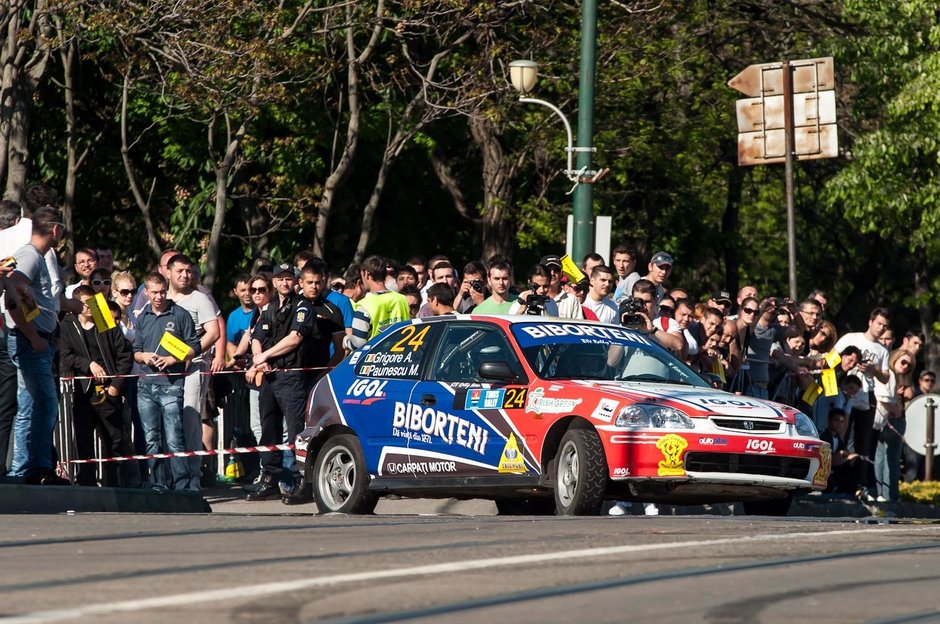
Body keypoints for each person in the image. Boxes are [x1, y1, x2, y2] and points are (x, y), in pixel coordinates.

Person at [4, 206, 69, 485]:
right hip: (32, 343)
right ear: (55, 230)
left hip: (37, 340)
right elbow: (14, 291)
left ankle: (24, 467)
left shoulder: (35, 256)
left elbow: (17, 291)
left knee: (30, 404)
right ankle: (37, 467)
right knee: (45, 402)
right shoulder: (30, 255)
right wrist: (31, 334)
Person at [244, 262, 312, 500]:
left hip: (291, 376)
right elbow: (256, 337)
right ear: (273, 282)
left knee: (295, 432)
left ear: (295, 281)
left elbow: (294, 339)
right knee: (268, 429)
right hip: (270, 376)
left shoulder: (302, 306)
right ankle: (271, 478)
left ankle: (303, 481)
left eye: (288, 279)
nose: (285, 283)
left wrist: (264, 356)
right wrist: (257, 358)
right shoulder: (270, 307)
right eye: (280, 279)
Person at [58, 285, 134, 487]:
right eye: (84, 303)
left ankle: (115, 486)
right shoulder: (67, 325)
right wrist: (88, 364)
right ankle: (87, 485)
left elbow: (125, 355)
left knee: (114, 441)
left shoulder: (105, 322)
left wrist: (117, 383)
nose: (89, 307)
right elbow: (65, 356)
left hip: (108, 391)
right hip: (83, 392)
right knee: (83, 442)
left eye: (93, 301)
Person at [133, 272, 199, 490]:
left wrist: (172, 358)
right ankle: (159, 484)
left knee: (174, 438)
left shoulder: (179, 314)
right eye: (154, 292)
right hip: (146, 384)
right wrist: (145, 357)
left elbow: (194, 345)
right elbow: (136, 351)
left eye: (162, 292)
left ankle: (182, 486)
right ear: (146, 293)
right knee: (151, 438)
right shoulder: (143, 317)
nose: (159, 297)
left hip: (171, 384)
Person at [166, 253, 222, 490]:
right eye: (180, 271)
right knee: (167, 422)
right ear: (167, 272)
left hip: (192, 368)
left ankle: (193, 478)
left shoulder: (200, 299)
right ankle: (168, 476)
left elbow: (214, 332)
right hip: (163, 371)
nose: (185, 275)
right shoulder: (160, 297)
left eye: (188, 271)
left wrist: (189, 352)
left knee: (191, 420)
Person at [833, 307, 891, 500]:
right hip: (845, 391)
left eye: (885, 326)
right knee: (841, 435)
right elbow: (833, 356)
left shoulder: (882, 350)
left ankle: (860, 484)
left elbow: (885, 377)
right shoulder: (852, 338)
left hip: (866, 396)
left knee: (864, 443)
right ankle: (838, 480)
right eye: (879, 323)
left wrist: (874, 370)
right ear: (870, 322)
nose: (881, 328)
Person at [344, 256, 411, 351]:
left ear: (367, 274)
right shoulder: (402, 299)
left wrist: (346, 340)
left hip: (374, 361)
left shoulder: (365, 305)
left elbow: (358, 344)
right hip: (399, 358)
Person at [873, 349, 914, 502]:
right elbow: (881, 397)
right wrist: (894, 406)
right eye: (903, 362)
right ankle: (880, 494)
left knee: (893, 460)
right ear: (894, 360)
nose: (905, 367)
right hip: (884, 418)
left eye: (909, 366)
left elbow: (910, 395)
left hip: (897, 420)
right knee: (880, 459)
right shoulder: (886, 375)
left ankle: (891, 497)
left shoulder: (904, 379)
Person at [820, 408, 858, 495]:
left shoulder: (838, 438)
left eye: (842, 422)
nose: (839, 424)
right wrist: (846, 457)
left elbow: (845, 452)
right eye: (836, 420)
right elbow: (830, 460)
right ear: (829, 421)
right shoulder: (824, 437)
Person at [540, 255, 582, 319]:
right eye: (548, 270)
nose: (552, 273)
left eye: (556, 270)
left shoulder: (571, 300)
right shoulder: (531, 297)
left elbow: (578, 326)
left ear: (562, 274)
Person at [226, 273, 254, 359]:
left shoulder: (263, 311)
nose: (247, 293)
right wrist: (235, 361)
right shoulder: (233, 316)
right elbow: (231, 343)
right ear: (235, 292)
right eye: (243, 290)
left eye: (250, 290)